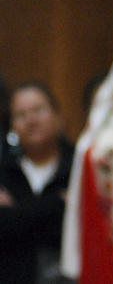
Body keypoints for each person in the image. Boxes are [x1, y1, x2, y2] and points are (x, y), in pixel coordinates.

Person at [0, 81, 74, 283]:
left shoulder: (78, 168)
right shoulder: (4, 174)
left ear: (57, 115)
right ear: (12, 125)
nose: (31, 120)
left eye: (38, 110)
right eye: (21, 115)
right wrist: (58, 205)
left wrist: (15, 214)